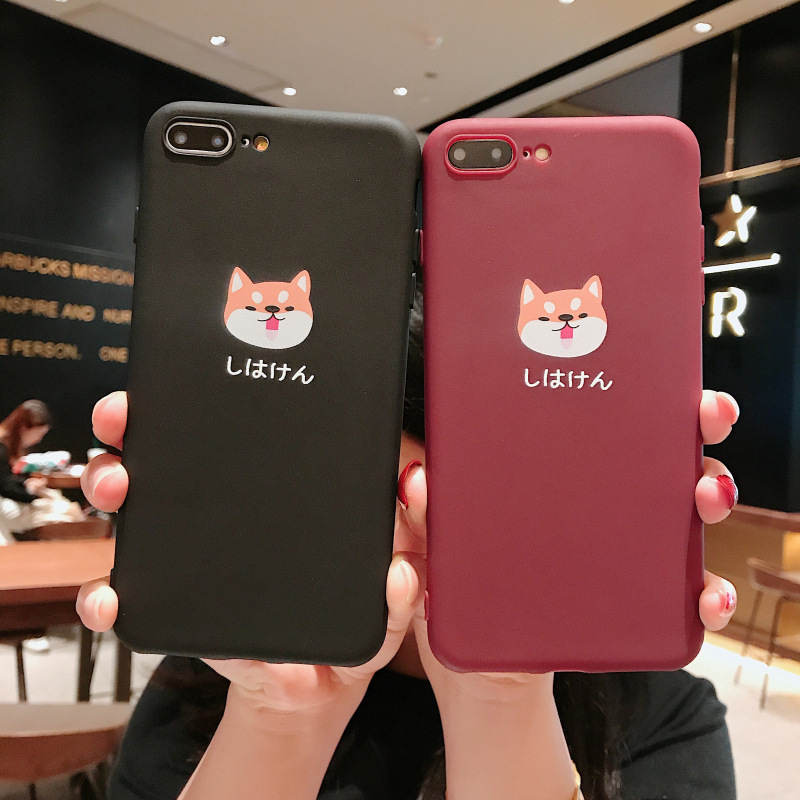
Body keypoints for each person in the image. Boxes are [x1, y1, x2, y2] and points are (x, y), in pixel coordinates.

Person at [77, 292, 741, 800]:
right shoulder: (224, 679)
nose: (424, 525)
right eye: (380, 493)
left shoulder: (659, 713)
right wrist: (279, 719)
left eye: (465, 492)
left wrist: (501, 698)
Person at [0, 399, 51, 544]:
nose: (39, 439)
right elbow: (4, 485)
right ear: (23, 428)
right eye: (38, 434)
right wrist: (29, 490)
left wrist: (27, 484)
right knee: (55, 511)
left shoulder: (9, 445)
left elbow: (6, 479)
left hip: (5, 500)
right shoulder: (1, 447)